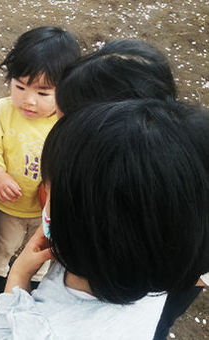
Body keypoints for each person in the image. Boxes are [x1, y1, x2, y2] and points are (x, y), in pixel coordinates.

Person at [0, 99, 209, 339]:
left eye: (49, 191)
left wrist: (18, 276)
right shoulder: (154, 266)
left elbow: (3, 333)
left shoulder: (41, 332)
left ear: (84, 228)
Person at [55, 39, 206, 339]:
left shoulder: (183, 180)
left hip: (160, 290)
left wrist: (161, 275)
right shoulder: (127, 165)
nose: (56, 134)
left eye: (63, 123)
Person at [0, 26, 80, 304]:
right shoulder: (2, 111)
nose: (28, 99)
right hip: (9, 204)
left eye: (43, 93)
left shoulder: (67, 122)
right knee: (5, 244)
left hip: (48, 209)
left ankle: (35, 279)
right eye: (20, 86)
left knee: (43, 247)